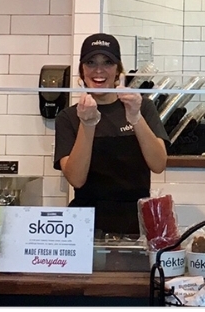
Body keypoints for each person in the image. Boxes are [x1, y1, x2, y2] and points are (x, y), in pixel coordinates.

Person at [53, 32, 169, 235]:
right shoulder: (68, 117)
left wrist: (135, 118)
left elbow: (159, 164)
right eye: (91, 62)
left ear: (118, 71)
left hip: (136, 222)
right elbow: (76, 179)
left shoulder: (142, 107)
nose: (99, 70)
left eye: (107, 62)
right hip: (86, 223)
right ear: (82, 71)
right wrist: (87, 124)